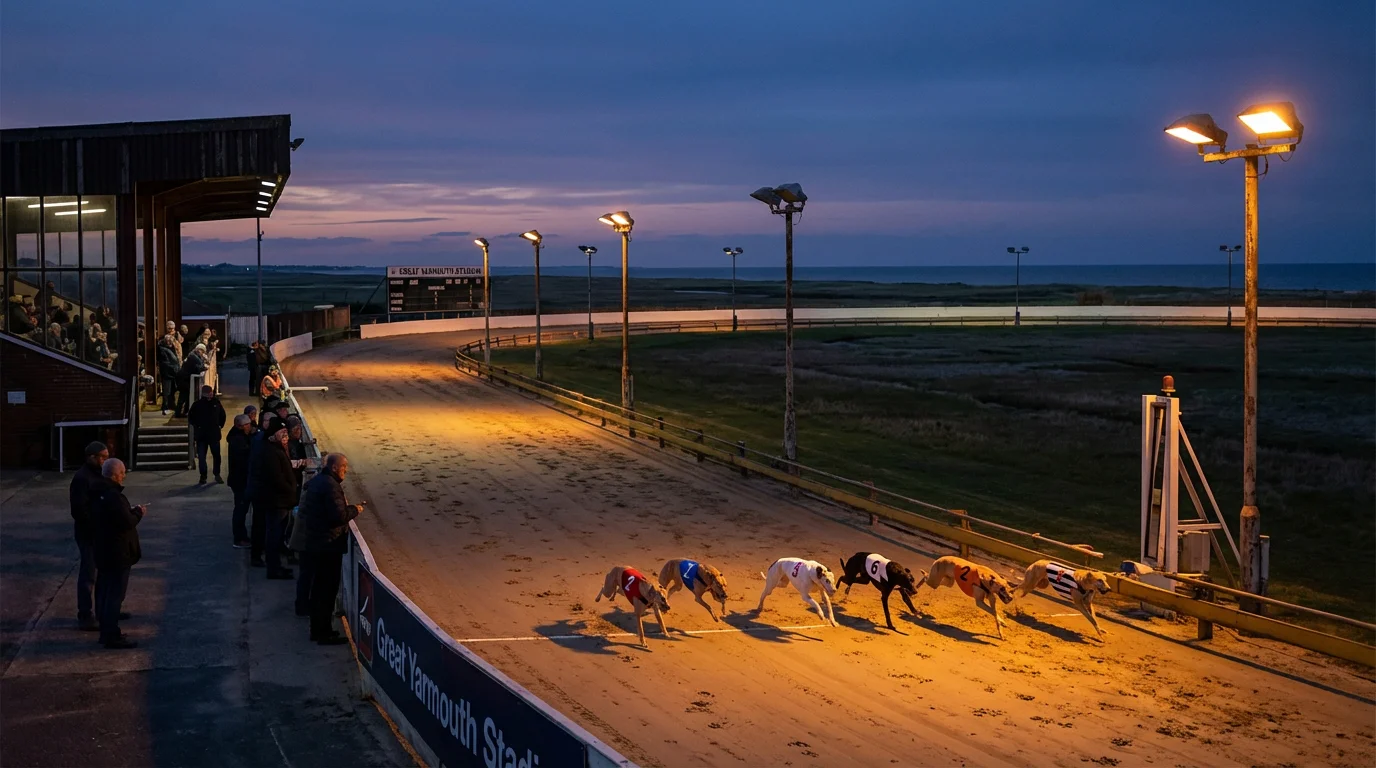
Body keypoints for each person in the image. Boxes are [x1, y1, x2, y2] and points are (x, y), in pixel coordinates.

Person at [291, 452, 364, 645]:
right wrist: (355, 510)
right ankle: (322, 632)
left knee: (320, 591)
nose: (345, 471)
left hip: (317, 544)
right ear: (334, 468)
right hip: (326, 547)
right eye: (343, 468)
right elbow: (337, 516)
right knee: (325, 592)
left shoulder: (320, 481)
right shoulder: (330, 486)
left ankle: (320, 630)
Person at [92, 458, 146, 649]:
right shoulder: (113, 496)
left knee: (107, 592)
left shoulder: (98, 493)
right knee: (115, 595)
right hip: (117, 553)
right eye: (122, 473)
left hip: (104, 550)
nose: (124, 476)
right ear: (115, 475)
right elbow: (126, 522)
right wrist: (138, 513)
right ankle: (111, 634)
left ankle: (107, 629)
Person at [69, 441, 109, 631]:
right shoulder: (82, 478)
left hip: (100, 532)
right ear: (91, 457)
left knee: (103, 572)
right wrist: (95, 523)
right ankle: (85, 614)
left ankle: (103, 610)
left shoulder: (98, 475)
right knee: (88, 574)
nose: (105, 461)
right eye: (102, 457)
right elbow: (79, 510)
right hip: (89, 534)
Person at [254, 420, 298, 580]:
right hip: (277, 501)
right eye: (282, 432)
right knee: (274, 535)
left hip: (280, 500)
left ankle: (277, 566)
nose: (285, 435)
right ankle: (274, 569)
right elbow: (276, 478)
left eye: (286, 431)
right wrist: (290, 489)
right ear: (274, 434)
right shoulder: (270, 451)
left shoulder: (276, 448)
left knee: (277, 535)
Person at [187, 384, 227, 484]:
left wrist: (219, 425)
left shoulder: (214, 403)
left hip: (210, 434)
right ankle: (207, 475)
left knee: (212, 456)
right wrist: (198, 426)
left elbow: (222, 415)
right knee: (205, 456)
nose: (211, 394)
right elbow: (191, 417)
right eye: (210, 393)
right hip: (205, 435)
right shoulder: (200, 404)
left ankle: (212, 474)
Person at [226, 414, 255, 548]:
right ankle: (239, 538)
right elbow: (245, 457)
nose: (250, 427)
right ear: (240, 426)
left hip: (239, 479)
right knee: (240, 509)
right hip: (240, 480)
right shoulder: (238, 440)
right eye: (247, 425)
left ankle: (241, 536)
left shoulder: (238, 437)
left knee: (241, 509)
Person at [175, 344, 207, 417]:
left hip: (185, 379)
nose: (203, 353)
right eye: (202, 351)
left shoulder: (193, 355)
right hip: (184, 379)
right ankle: (178, 413)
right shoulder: (193, 357)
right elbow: (199, 367)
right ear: (198, 350)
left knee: (186, 396)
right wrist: (204, 364)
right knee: (183, 396)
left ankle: (184, 412)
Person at [156, 335, 180, 415]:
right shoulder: (162, 349)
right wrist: (174, 368)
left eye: (171, 341)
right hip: (167, 373)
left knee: (172, 390)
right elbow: (164, 363)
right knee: (167, 391)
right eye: (169, 341)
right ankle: (165, 407)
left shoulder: (171, 348)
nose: (170, 342)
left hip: (172, 373)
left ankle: (171, 405)